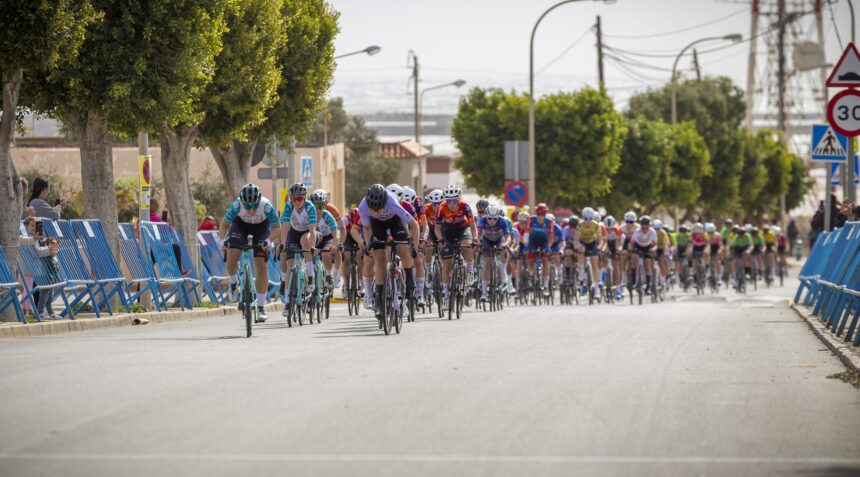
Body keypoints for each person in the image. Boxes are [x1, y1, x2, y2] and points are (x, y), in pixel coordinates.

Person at [220, 184, 279, 322]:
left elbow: (277, 227)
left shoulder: (266, 206)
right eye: (248, 207)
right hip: (240, 227)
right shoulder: (237, 205)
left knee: (262, 267)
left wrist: (269, 240)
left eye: (254, 206)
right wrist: (222, 241)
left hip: (261, 229)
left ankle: (261, 307)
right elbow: (224, 225)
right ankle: (233, 283)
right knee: (232, 253)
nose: (252, 210)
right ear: (242, 202)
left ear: (259, 201)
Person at [360, 184, 420, 321]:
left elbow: (414, 224)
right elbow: (367, 229)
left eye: (379, 208)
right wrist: (369, 245)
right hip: (377, 225)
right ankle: (380, 302)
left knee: (404, 250)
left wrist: (415, 248)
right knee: (380, 260)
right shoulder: (363, 206)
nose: (376, 212)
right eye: (373, 209)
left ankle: (409, 280)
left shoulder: (392, 202)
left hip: (395, 222)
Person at [435, 184, 477, 310]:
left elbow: (473, 226)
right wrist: (440, 239)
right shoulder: (441, 208)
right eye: (449, 201)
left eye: (454, 201)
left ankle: (470, 270)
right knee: (446, 264)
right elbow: (437, 228)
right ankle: (446, 297)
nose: (452, 204)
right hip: (447, 231)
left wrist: (475, 238)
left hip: (462, 229)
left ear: (459, 199)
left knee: (466, 245)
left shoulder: (465, 206)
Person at [279, 183, 317, 318]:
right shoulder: (289, 206)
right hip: (293, 234)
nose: (297, 202)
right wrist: (282, 245)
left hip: (307, 233)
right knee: (289, 264)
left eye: (300, 198)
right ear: (291, 198)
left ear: (304, 198)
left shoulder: (310, 207)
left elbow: (313, 229)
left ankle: (310, 276)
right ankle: (287, 303)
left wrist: (312, 246)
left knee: (305, 241)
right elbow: (285, 227)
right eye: (294, 199)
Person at [20, 217, 61, 319]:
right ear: (26, 226)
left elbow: (38, 250)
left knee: (28, 289)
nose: (34, 227)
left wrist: (48, 248)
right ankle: (28, 310)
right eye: (32, 225)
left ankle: (25, 309)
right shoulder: (28, 238)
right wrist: (49, 249)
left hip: (33, 269)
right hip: (28, 269)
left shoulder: (34, 238)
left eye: (36, 225)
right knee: (28, 289)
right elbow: (37, 252)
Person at [477, 204, 511, 302]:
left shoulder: (502, 220)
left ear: (498, 217)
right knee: (486, 262)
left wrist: (506, 243)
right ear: (486, 216)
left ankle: (503, 270)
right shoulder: (482, 220)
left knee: (504, 249)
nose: (492, 221)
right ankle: (484, 292)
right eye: (490, 218)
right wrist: (478, 243)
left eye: (495, 219)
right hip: (487, 240)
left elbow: (508, 236)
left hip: (499, 240)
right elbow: (478, 234)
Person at [309, 189, 340, 288]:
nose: (318, 209)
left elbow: (335, 235)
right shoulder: (308, 215)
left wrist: (334, 246)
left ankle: (328, 275)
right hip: (314, 237)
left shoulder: (327, 215)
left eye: (321, 206)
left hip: (327, 237)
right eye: (316, 206)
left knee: (326, 252)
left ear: (325, 205)